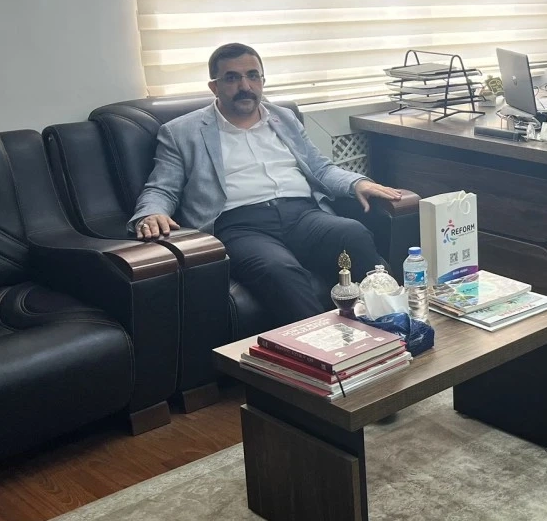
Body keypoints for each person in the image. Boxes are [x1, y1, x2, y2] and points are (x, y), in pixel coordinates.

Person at [129, 43, 404, 324]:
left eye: (252, 75)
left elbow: (320, 168)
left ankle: (395, 325)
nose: (245, 86)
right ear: (214, 86)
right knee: (279, 269)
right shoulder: (181, 132)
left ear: (262, 80)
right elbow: (161, 187)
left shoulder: (283, 117)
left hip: (302, 215)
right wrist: (152, 212)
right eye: (232, 78)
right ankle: (324, 344)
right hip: (240, 225)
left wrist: (356, 182)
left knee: (352, 233)